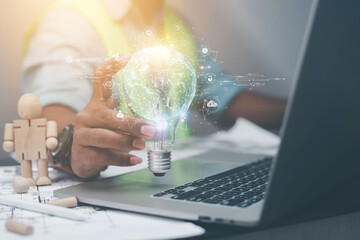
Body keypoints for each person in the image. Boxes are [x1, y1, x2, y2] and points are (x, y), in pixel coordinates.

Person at [22, 0, 286, 179]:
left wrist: (303, 108)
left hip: (179, 183)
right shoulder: (69, 19)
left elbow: (221, 94)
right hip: (118, 188)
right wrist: (71, 146)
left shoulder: (174, 21)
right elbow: (51, 107)